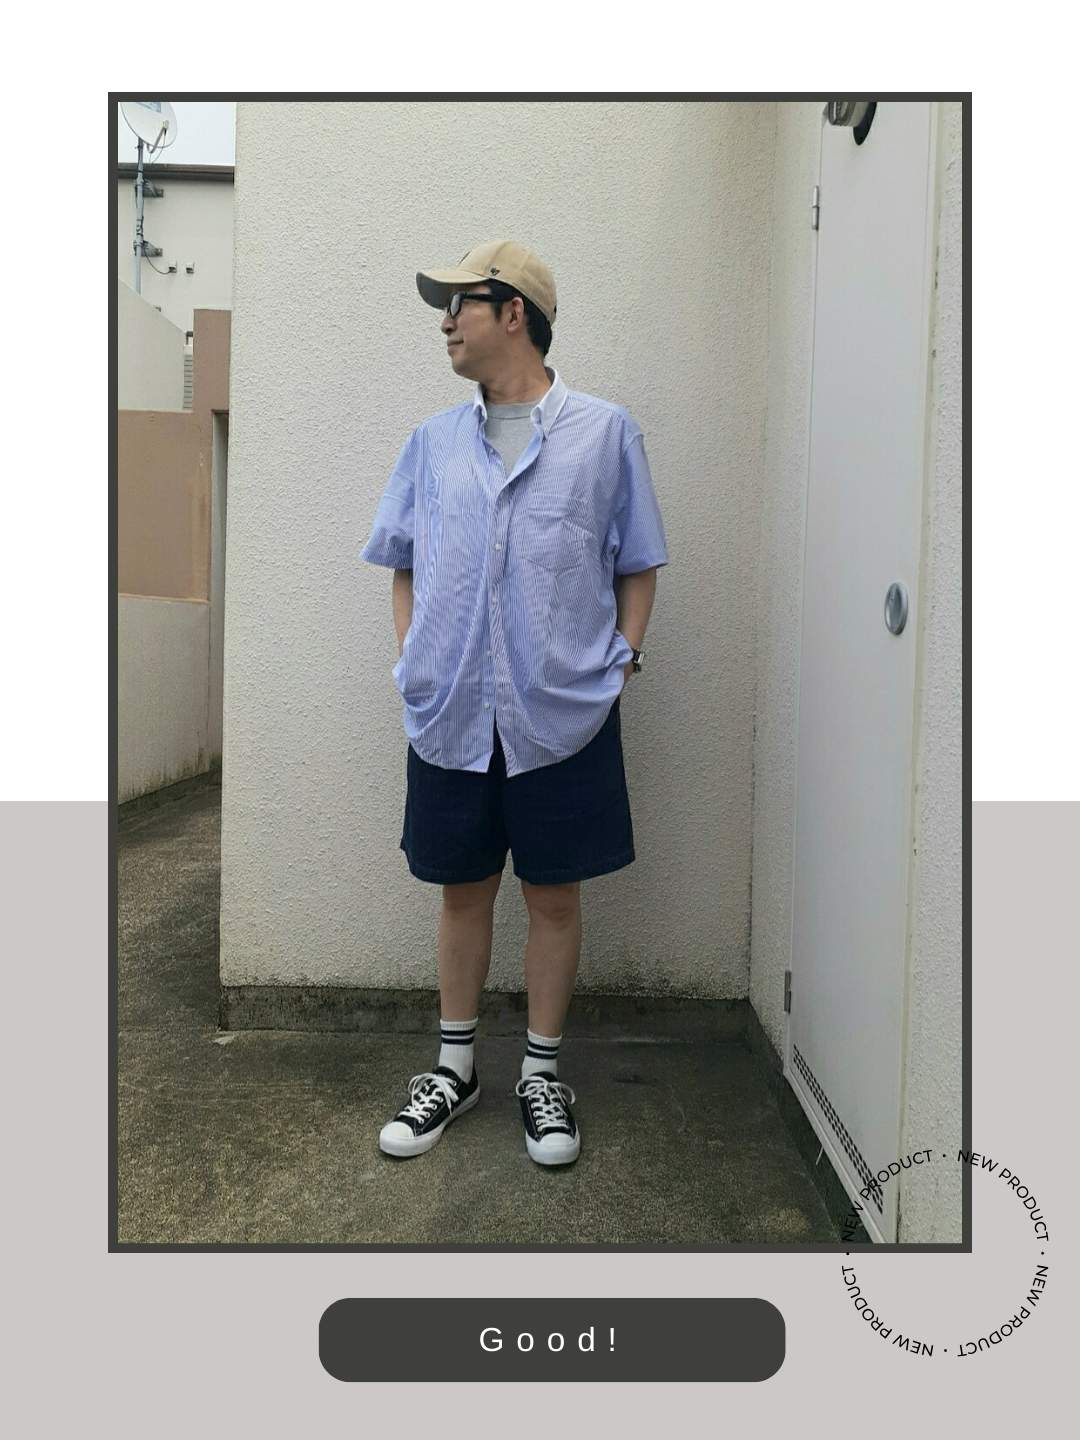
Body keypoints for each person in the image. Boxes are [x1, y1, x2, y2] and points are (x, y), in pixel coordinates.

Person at [359, 240, 668, 1167]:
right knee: (461, 889)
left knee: (554, 895)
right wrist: (414, 656)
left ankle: (540, 1075)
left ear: (514, 313)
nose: (445, 322)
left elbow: (638, 560)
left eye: (461, 303)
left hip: (561, 713)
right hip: (452, 708)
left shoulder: (605, 434)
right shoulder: (431, 443)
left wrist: (623, 662)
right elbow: (403, 559)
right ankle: (454, 1069)